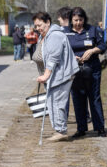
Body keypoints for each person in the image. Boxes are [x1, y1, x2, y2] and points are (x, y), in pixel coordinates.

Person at [32, 12, 79, 142]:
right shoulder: (45, 35)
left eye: (40, 25)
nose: (38, 28)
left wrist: (46, 75)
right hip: (54, 76)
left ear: (48, 22)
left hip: (60, 75)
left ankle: (61, 131)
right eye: (36, 26)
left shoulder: (54, 35)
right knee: (52, 102)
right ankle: (59, 129)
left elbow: (53, 57)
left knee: (57, 102)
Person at [66, 7, 107, 138]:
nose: (78, 23)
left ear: (84, 19)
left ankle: (99, 128)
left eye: (81, 20)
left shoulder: (93, 30)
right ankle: (81, 128)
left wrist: (92, 51)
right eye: (75, 20)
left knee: (94, 97)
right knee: (78, 98)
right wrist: (72, 57)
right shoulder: (65, 33)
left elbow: (103, 46)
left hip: (92, 69)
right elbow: (61, 50)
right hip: (75, 70)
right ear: (71, 20)